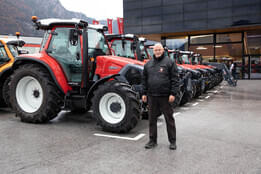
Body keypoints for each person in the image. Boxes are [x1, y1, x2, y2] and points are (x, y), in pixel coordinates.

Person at [142, 43, 180, 150]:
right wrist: (144, 93)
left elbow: (175, 79)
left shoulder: (169, 62)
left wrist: (173, 93)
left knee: (169, 119)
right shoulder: (148, 64)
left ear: (163, 50)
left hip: (165, 96)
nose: (157, 52)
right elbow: (144, 80)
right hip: (152, 96)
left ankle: (172, 141)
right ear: (153, 51)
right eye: (155, 50)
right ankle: (152, 141)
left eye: (159, 50)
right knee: (152, 119)